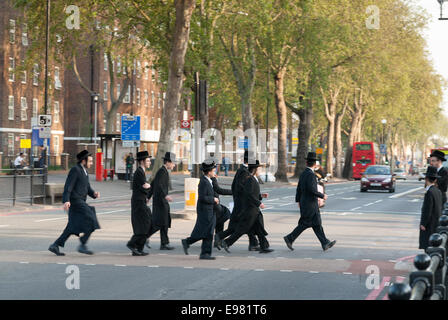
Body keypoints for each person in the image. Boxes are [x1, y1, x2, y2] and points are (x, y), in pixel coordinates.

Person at [48, 150, 100, 256]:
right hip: (76, 202)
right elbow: (69, 186)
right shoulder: (75, 170)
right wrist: (66, 200)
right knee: (91, 217)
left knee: (71, 227)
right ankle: (82, 244)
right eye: (90, 161)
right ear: (83, 161)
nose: (91, 163)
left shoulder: (84, 171)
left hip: (80, 201)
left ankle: (55, 245)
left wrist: (93, 193)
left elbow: (87, 187)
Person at [283, 152, 336, 252]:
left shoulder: (303, 174)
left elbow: (298, 189)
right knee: (305, 223)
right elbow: (312, 190)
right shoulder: (311, 175)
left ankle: (325, 243)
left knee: (317, 223)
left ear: (306, 162)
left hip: (306, 203)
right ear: (315, 164)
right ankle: (289, 238)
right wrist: (322, 195)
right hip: (310, 204)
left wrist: (298, 200)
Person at [217, 160, 273, 254]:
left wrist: (261, 196)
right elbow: (249, 194)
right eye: (258, 169)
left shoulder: (253, 178)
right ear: (254, 169)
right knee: (242, 229)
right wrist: (259, 203)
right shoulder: (250, 179)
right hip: (251, 210)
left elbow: (252, 193)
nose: (259, 171)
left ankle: (264, 246)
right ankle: (226, 242)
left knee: (259, 228)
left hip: (254, 210)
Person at [214, 150, 261, 251]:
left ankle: (254, 243)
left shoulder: (243, 170)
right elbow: (242, 189)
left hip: (243, 204)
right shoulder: (244, 172)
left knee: (247, 224)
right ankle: (220, 237)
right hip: (242, 205)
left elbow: (237, 187)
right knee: (237, 226)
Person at [181, 160, 219, 260]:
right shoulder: (203, 182)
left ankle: (204, 253)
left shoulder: (209, 180)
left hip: (210, 210)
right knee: (206, 232)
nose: (215, 172)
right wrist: (213, 199)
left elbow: (216, 190)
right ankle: (201, 251)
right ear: (209, 171)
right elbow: (202, 197)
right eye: (214, 170)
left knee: (208, 232)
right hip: (205, 211)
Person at [126, 151, 153, 256]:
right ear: (142, 161)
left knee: (146, 223)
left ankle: (139, 248)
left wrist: (147, 187)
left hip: (141, 200)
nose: (150, 162)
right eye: (148, 160)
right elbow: (143, 187)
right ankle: (132, 244)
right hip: (138, 202)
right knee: (143, 224)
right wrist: (148, 187)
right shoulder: (139, 172)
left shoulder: (141, 171)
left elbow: (144, 187)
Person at [147, 152, 176, 250]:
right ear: (167, 162)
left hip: (161, 201)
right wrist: (165, 195)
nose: (174, 165)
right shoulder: (162, 172)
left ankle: (164, 243)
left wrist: (148, 196)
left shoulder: (163, 171)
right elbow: (158, 185)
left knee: (165, 222)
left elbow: (153, 184)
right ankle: (144, 237)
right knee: (158, 223)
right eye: (172, 163)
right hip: (160, 202)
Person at [419, 166, 443, 250]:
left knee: (427, 246)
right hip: (436, 223)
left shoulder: (429, 192)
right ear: (435, 180)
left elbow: (427, 210)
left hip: (429, 225)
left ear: (426, 179)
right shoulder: (438, 191)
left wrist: (423, 224)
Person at [211, 169, 232, 248]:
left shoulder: (210, 178)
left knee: (219, 220)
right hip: (214, 204)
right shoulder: (211, 179)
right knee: (224, 214)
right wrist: (233, 192)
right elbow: (219, 190)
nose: (215, 173)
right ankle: (218, 238)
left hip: (215, 204)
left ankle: (218, 239)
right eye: (214, 171)